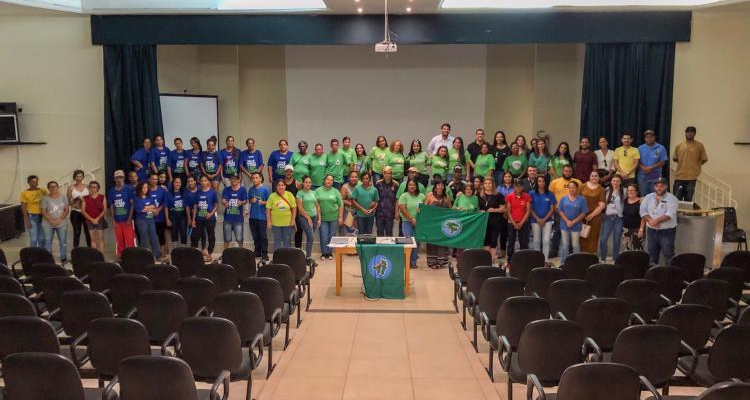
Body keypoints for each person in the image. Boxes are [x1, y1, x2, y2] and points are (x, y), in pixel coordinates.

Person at [640, 178, 679, 265]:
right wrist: (651, 221)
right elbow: (643, 211)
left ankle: (670, 273)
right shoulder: (648, 197)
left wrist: (657, 221)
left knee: (668, 255)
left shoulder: (672, 199)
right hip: (651, 231)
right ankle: (652, 272)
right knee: (651, 255)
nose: (659, 188)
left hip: (667, 232)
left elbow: (670, 214)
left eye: (661, 186)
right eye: (657, 186)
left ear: (666, 186)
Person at [548, 165, 583, 258]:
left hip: (573, 212)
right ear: (562, 171)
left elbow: (580, 196)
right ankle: (554, 251)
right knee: (557, 231)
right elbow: (550, 196)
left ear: (572, 172)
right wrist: (553, 208)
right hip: (559, 212)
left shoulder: (578, 182)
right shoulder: (555, 182)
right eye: (566, 171)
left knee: (572, 232)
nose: (567, 173)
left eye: (569, 171)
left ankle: (571, 252)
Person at [672, 126, 708, 202]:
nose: (690, 133)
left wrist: (696, 166)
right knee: (676, 199)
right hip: (679, 176)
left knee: (688, 200)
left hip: (692, 177)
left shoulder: (699, 145)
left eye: (692, 132)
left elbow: (704, 159)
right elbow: (675, 158)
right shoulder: (679, 145)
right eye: (688, 132)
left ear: (695, 134)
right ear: (685, 133)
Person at [557, 181, 588, 263]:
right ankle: (563, 262)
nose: (571, 189)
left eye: (573, 187)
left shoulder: (582, 199)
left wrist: (573, 222)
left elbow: (584, 213)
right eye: (570, 187)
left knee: (575, 245)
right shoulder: (563, 198)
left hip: (576, 226)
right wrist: (567, 221)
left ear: (577, 188)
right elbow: (560, 211)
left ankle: (576, 262)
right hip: (564, 225)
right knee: (565, 245)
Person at [424, 179, 452, 269]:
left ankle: (441, 261)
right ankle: (432, 262)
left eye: (442, 185)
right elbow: (425, 208)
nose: (440, 187)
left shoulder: (447, 197)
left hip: (443, 225)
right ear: (435, 187)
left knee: (441, 242)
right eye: (438, 185)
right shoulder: (429, 195)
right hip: (432, 224)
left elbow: (450, 210)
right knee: (431, 242)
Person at [398, 178, 425, 268]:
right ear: (407, 186)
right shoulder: (404, 196)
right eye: (410, 185)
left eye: (413, 185)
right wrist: (412, 219)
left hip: (418, 223)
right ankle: (407, 262)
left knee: (415, 243)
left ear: (416, 186)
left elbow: (425, 209)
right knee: (408, 242)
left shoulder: (422, 196)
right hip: (407, 222)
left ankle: (413, 263)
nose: (412, 186)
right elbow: (403, 209)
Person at [108, 170, 135, 257]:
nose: (119, 179)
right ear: (114, 179)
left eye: (121, 177)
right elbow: (112, 205)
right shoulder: (112, 190)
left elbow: (132, 204)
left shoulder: (129, 189)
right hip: (117, 220)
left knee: (129, 239)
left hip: (127, 219)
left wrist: (130, 218)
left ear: (123, 178)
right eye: (117, 178)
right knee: (119, 239)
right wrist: (113, 219)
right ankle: (121, 256)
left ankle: (131, 256)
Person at [315, 175, 343, 260]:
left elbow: (341, 205)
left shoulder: (336, 191)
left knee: (332, 236)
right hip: (322, 218)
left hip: (333, 218)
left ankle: (329, 253)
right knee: (324, 236)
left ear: (333, 182)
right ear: (324, 180)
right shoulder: (317, 191)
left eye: (331, 180)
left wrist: (340, 217)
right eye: (327, 179)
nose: (329, 181)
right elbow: (315, 204)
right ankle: (324, 253)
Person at [191, 175, 219, 262]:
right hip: (199, 218)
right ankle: (194, 255)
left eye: (205, 180)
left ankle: (209, 254)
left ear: (208, 182)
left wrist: (211, 214)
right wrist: (193, 219)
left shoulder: (212, 192)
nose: (203, 182)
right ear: (200, 182)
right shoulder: (198, 193)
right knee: (195, 236)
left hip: (210, 218)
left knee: (211, 236)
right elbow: (195, 206)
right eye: (202, 181)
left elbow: (216, 205)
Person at [479, 177, 506, 264]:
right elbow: (476, 208)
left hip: (496, 221)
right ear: (483, 185)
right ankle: (486, 261)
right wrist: (479, 211)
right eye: (486, 183)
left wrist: (494, 210)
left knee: (493, 241)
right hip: (484, 222)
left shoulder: (498, 195)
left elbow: (503, 209)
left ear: (493, 184)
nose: (487, 185)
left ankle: (492, 262)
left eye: (489, 183)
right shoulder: (480, 195)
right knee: (486, 241)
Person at [41, 181, 69, 263]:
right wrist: (51, 220)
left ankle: (63, 257)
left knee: (63, 241)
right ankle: (48, 259)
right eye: (51, 187)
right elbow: (43, 212)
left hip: (61, 223)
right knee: (48, 241)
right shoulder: (45, 198)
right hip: (47, 224)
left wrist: (59, 219)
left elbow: (66, 210)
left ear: (58, 187)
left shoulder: (63, 197)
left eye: (55, 186)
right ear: (48, 188)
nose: (53, 188)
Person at [599, 175, 624, 262]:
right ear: (611, 182)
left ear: (620, 182)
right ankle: (603, 259)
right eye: (614, 181)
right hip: (608, 218)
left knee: (617, 240)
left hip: (618, 218)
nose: (615, 183)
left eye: (617, 181)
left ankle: (615, 259)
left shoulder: (624, 191)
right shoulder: (607, 190)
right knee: (603, 239)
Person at [266, 179, 297, 252]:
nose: (280, 187)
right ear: (276, 187)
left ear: (285, 186)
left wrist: (293, 220)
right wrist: (269, 221)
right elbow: (268, 209)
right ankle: (277, 256)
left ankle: (287, 256)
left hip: (287, 223)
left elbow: (294, 208)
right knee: (277, 240)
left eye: (282, 185)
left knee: (287, 240)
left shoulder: (289, 195)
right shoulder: (272, 196)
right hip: (275, 223)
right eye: (279, 185)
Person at [530, 175, 556, 260]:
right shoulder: (531, 193)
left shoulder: (550, 194)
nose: (541, 183)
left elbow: (552, 209)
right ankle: (537, 260)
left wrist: (544, 219)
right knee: (536, 241)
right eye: (539, 181)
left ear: (546, 182)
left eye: (543, 181)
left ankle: (545, 260)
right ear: (536, 182)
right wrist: (538, 219)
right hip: (535, 220)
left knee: (546, 240)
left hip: (547, 221)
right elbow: (530, 208)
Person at [579, 170, 606, 254]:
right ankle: (582, 256)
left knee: (593, 236)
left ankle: (592, 257)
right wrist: (582, 214)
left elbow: (602, 205)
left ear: (599, 178)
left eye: (596, 176)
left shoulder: (601, 189)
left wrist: (591, 215)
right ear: (589, 177)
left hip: (595, 217)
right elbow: (577, 200)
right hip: (582, 216)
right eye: (592, 176)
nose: (594, 177)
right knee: (582, 236)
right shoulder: (582, 186)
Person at [134, 182, 161, 259]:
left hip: (150, 219)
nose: (145, 189)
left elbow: (154, 207)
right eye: (143, 187)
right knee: (144, 238)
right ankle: (145, 256)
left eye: (146, 187)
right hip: (141, 221)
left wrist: (146, 207)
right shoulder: (137, 199)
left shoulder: (149, 197)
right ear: (140, 188)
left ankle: (156, 255)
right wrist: (150, 207)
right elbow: (141, 210)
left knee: (154, 237)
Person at [637, 130, 668, 196]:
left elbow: (663, 162)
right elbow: (636, 161)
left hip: (655, 176)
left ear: (654, 137)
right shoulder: (640, 148)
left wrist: (651, 168)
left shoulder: (661, 148)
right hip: (643, 176)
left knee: (655, 195)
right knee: (644, 196)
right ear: (645, 138)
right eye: (647, 137)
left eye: (651, 137)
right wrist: (643, 168)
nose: (649, 138)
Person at [296, 176, 320, 260]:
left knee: (311, 237)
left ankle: (308, 256)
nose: (308, 184)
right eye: (306, 182)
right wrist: (308, 218)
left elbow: (317, 206)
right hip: (304, 217)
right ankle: (308, 257)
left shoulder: (314, 193)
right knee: (310, 236)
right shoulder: (300, 193)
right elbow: (300, 208)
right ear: (303, 183)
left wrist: (319, 218)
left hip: (314, 217)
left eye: (310, 182)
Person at [19, 175, 47, 248]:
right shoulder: (24, 193)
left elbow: (48, 201)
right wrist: (26, 220)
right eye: (33, 182)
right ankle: (32, 253)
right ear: (29, 183)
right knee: (34, 239)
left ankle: (41, 252)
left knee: (41, 239)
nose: (35, 183)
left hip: (42, 216)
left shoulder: (42, 191)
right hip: (31, 217)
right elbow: (23, 207)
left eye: (36, 181)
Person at [248, 172, 270, 261]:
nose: (255, 179)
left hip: (262, 217)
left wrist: (264, 202)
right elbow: (249, 200)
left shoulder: (266, 189)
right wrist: (251, 200)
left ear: (260, 178)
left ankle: (264, 253)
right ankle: (257, 251)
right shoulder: (251, 189)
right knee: (255, 236)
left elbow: (270, 202)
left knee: (263, 236)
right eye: (253, 178)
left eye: (256, 178)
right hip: (252, 216)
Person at [222, 174, 247, 250]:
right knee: (227, 239)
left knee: (239, 239)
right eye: (232, 179)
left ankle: (241, 253)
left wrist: (241, 202)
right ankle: (225, 253)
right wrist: (224, 202)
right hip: (228, 218)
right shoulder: (226, 189)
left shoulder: (243, 189)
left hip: (238, 218)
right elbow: (224, 200)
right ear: (230, 180)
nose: (234, 180)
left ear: (239, 180)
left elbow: (245, 201)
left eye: (236, 179)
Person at [66, 170, 90, 248]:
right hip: (75, 212)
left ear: (83, 177)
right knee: (76, 232)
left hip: (87, 212)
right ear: (74, 177)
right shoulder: (70, 187)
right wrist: (73, 204)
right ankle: (75, 250)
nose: (79, 178)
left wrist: (84, 202)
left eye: (80, 176)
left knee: (88, 232)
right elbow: (68, 201)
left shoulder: (87, 186)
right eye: (77, 176)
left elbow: (91, 199)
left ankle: (90, 250)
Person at [82, 181, 107, 254]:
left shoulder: (102, 197)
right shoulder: (85, 198)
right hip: (89, 221)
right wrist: (91, 219)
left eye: (94, 187)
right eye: (91, 187)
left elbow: (104, 209)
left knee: (100, 238)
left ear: (98, 188)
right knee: (92, 239)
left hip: (99, 220)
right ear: (89, 188)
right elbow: (83, 211)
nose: (93, 188)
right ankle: (94, 255)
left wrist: (97, 219)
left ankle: (101, 255)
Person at [147, 173, 168, 258]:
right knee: (151, 235)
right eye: (153, 179)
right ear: (149, 180)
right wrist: (151, 210)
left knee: (161, 234)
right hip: (149, 217)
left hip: (160, 217)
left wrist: (158, 209)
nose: (155, 181)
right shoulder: (146, 189)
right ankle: (153, 252)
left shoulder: (162, 190)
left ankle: (162, 252)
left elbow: (165, 202)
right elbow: (144, 202)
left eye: (156, 179)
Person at [374, 167, 399, 237]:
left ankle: (389, 244)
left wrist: (397, 212)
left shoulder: (396, 184)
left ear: (391, 174)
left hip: (390, 213)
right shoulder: (378, 183)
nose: (387, 175)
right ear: (383, 174)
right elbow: (375, 198)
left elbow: (397, 200)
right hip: (379, 212)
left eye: (389, 173)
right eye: (385, 173)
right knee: (379, 232)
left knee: (389, 232)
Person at [166, 176, 188, 249]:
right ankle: (175, 251)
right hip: (172, 215)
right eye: (176, 182)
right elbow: (166, 207)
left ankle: (183, 251)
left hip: (182, 215)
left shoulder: (184, 192)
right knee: (174, 232)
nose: (178, 184)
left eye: (179, 182)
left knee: (183, 233)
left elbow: (187, 206)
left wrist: (189, 218)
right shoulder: (168, 193)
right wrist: (167, 219)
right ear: (173, 183)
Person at [622, 183, 645, 252]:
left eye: (632, 190)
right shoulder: (625, 200)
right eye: (629, 190)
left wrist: (641, 230)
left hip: (637, 229)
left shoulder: (641, 202)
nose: (630, 192)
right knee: (626, 250)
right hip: (626, 229)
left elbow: (643, 217)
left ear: (637, 192)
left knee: (637, 250)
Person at [340, 170, 359, 236]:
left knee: (357, 234)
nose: (354, 178)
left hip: (358, 213)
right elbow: (341, 200)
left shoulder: (360, 185)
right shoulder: (344, 187)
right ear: (349, 178)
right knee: (348, 235)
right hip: (348, 213)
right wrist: (349, 203)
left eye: (356, 177)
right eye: (352, 177)